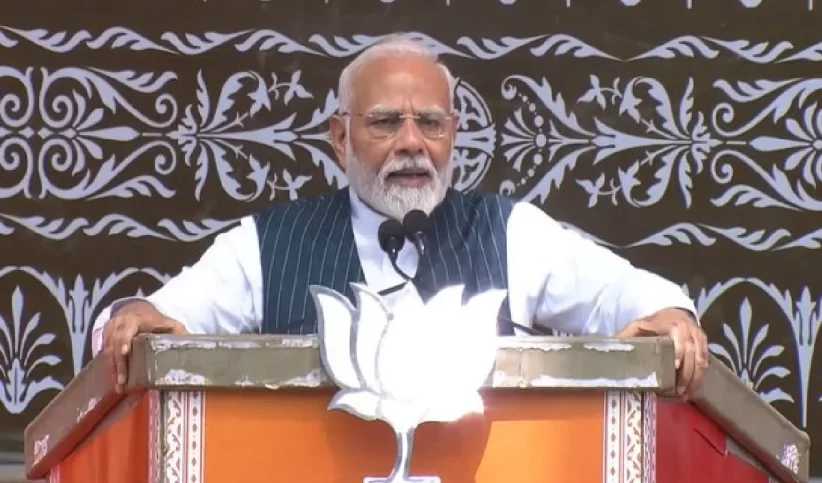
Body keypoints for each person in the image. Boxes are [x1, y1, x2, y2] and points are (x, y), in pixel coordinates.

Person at [92, 33, 709, 399]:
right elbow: (149, 322)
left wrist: (671, 316)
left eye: (431, 124)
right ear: (340, 139)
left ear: (453, 134)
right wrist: (135, 318)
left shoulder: (511, 233)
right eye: (387, 122)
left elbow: (629, 296)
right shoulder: (264, 244)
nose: (412, 143)